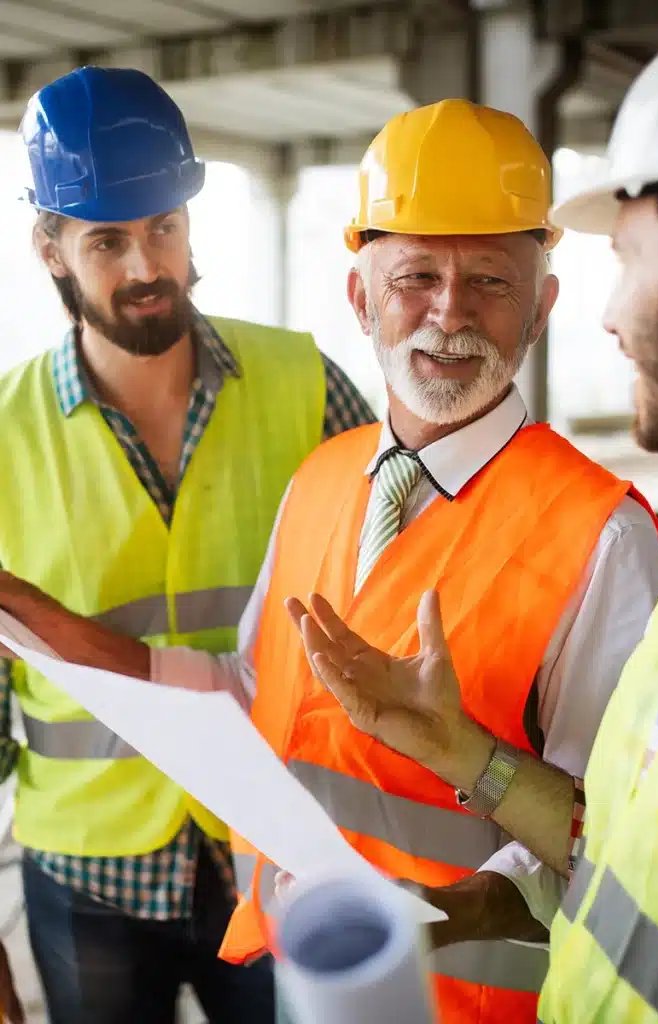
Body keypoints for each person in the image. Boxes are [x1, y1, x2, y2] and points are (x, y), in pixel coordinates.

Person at [0, 99, 658, 1022]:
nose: (447, 312)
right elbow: (245, 686)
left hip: (472, 1000)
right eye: (414, 276)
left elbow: (619, 836)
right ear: (360, 297)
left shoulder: (602, 536)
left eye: (490, 282)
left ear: (543, 305)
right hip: (308, 975)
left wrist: (442, 913)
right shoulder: (322, 478)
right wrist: (44, 627)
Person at [289, 10, 658, 1022]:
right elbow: (612, 841)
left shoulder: (616, 535)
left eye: (629, 257)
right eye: (416, 275)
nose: (607, 315)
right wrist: (459, 747)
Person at [0, 66, 374, 1024]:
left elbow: (390, 590)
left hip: (275, 844)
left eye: (163, 226)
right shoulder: (4, 433)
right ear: (50, 247)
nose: (144, 266)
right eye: (107, 240)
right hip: (88, 870)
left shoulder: (303, 382)